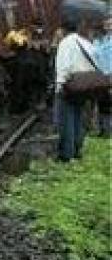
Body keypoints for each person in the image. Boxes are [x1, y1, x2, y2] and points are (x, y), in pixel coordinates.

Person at [54, 17, 98, 160]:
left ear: (64, 29)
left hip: (70, 85)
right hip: (85, 86)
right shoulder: (85, 42)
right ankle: (78, 149)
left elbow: (64, 67)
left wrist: (59, 85)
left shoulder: (65, 44)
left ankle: (67, 154)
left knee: (66, 119)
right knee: (78, 117)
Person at [93, 15, 112, 137]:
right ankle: (104, 130)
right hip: (100, 76)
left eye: (111, 24)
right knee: (102, 103)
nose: (109, 27)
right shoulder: (98, 41)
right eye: (107, 24)